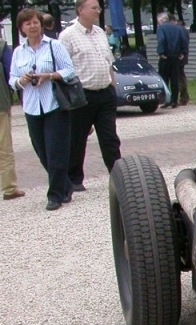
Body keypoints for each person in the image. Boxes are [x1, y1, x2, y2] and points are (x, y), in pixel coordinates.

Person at [8, 8, 75, 210]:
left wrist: (49, 75)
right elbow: (12, 79)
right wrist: (22, 80)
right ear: (21, 28)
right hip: (31, 106)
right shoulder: (19, 52)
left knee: (56, 151)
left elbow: (70, 70)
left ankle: (54, 195)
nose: (32, 26)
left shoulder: (55, 46)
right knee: (42, 151)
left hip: (54, 104)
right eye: (27, 23)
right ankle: (65, 186)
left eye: (35, 22)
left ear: (41, 24)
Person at [58, 0, 121, 194]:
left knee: (110, 138)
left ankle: (119, 175)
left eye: (99, 8)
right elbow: (63, 67)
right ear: (80, 10)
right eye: (94, 8)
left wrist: (113, 85)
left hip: (105, 93)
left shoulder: (100, 33)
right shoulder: (67, 36)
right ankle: (74, 178)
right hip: (82, 94)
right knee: (77, 138)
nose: (98, 11)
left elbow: (108, 61)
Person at [1, 35, 25, 201]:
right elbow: (12, 73)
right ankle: (9, 188)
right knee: (4, 147)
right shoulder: (2, 46)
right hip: (0, 103)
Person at [156, 13, 185, 108]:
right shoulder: (177, 28)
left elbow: (161, 40)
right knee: (174, 79)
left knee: (164, 78)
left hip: (166, 56)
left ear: (161, 20)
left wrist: (161, 52)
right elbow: (182, 39)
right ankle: (174, 100)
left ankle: (166, 100)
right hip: (176, 56)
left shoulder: (161, 28)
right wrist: (182, 52)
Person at [177, 19, 190, 106]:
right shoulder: (185, 31)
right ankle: (184, 97)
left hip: (179, 56)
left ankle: (183, 97)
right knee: (181, 76)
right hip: (184, 56)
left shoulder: (179, 31)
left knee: (179, 77)